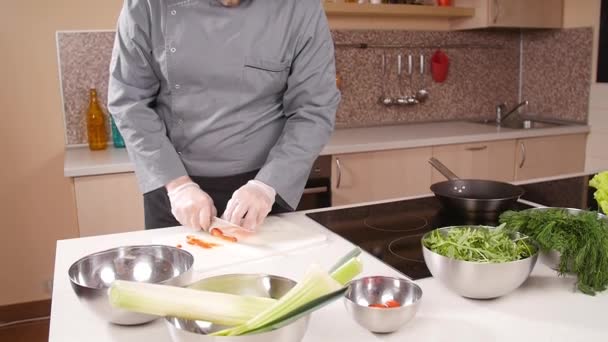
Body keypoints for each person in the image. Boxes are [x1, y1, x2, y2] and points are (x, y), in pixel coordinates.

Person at [108, 0, 340, 231]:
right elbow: (129, 101)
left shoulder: (300, 7)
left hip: (263, 193)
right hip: (174, 188)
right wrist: (178, 186)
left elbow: (315, 108)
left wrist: (266, 186)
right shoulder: (147, 4)